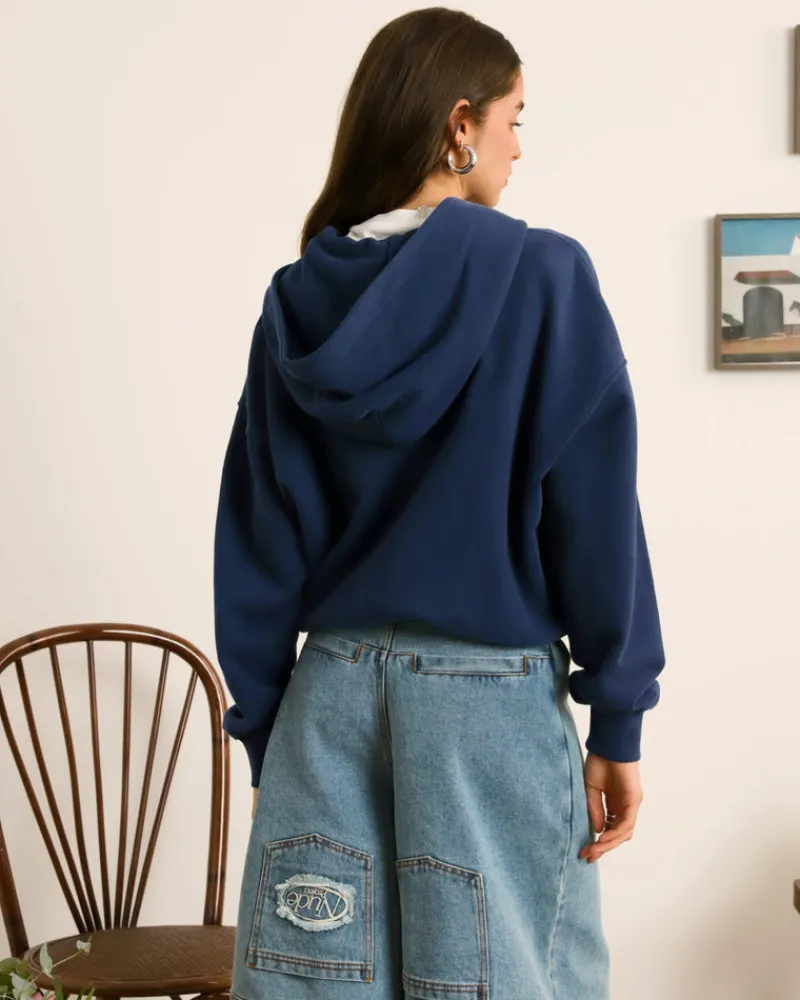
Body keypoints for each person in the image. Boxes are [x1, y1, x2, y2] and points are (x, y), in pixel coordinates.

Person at [213, 7, 665, 998]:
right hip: (487, 707)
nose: (517, 146)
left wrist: (269, 736)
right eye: (512, 119)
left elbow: (258, 538)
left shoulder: (295, 302)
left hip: (327, 705)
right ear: (459, 125)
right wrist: (618, 716)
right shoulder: (543, 276)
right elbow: (596, 519)